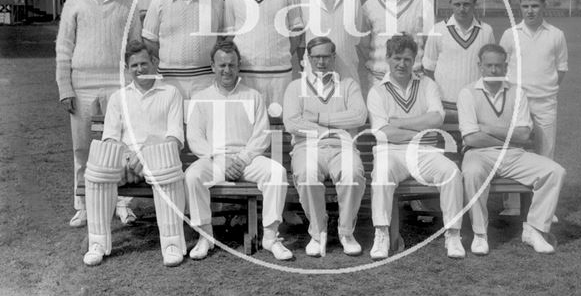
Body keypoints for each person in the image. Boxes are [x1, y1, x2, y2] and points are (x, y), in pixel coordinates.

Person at [184, 39, 293, 261]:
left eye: (231, 65)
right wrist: (217, 160)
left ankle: (271, 237)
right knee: (193, 175)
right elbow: (195, 137)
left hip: (247, 161)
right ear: (213, 66)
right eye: (222, 65)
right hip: (214, 160)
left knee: (277, 173)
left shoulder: (252, 96)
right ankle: (205, 236)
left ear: (238, 65)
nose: (227, 70)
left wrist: (242, 160)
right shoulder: (201, 98)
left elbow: (261, 135)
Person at [56, 0, 141, 228]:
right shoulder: (73, 4)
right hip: (82, 85)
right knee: (83, 147)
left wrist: (134, 85)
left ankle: (123, 205)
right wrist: (65, 88)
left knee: (121, 145)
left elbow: (135, 46)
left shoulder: (126, 2)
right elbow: (64, 49)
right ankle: (82, 204)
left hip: (118, 83)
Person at [82, 40, 186, 267]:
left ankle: (172, 244)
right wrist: (128, 157)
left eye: (144, 63)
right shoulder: (119, 97)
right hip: (126, 161)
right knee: (100, 168)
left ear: (154, 62)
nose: (139, 69)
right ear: (127, 69)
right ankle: (97, 243)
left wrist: (147, 154)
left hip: (158, 159)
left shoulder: (171, 93)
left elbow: (175, 138)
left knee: (164, 164)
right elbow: (110, 137)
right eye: (134, 65)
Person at [457, 43, 566, 254]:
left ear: (506, 67)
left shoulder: (517, 93)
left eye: (499, 66)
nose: (494, 70)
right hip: (479, 155)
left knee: (555, 171)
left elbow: (524, 135)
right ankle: (480, 233)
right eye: (489, 65)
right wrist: (509, 136)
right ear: (480, 66)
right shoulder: (467, 93)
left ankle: (534, 229)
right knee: (471, 173)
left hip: (514, 155)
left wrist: (488, 128)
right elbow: (471, 138)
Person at [367, 34, 465, 260]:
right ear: (388, 58)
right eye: (397, 58)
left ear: (414, 61)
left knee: (451, 173)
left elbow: (436, 119)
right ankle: (381, 233)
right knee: (381, 173)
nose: (402, 64)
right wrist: (420, 131)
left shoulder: (427, 84)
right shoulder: (377, 91)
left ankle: (453, 234)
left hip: (425, 152)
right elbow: (383, 133)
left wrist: (400, 123)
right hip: (391, 152)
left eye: (408, 59)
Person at [283, 36, 368, 257]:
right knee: (307, 174)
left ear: (333, 57)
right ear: (308, 59)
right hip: (307, 147)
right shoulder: (295, 87)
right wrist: (327, 131)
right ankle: (318, 232)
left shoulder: (348, 85)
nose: (321, 62)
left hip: (343, 146)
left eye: (326, 56)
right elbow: (292, 122)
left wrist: (320, 117)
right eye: (316, 57)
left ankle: (346, 232)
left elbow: (359, 116)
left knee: (353, 173)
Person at [499, 0, 568, 217]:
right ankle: (512, 205)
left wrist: (544, 90)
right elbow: (501, 67)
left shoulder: (556, 35)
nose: (530, 11)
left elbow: (561, 69)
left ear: (544, 6)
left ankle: (543, 210)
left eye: (535, 6)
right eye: (525, 6)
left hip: (545, 103)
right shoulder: (510, 34)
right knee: (513, 153)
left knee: (544, 154)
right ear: (520, 7)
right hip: (517, 103)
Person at [223, 0, 303, 108]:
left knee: (277, 128)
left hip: (280, 76)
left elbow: (296, 31)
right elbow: (229, 37)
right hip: (245, 75)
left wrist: (280, 55)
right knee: (247, 126)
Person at [142, 0, 224, 100]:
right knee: (172, 124)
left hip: (206, 80)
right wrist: (170, 59)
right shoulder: (160, 0)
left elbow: (221, 38)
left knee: (203, 123)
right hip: (169, 80)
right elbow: (149, 40)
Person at [423, 0, 495, 120]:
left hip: (476, 104)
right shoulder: (438, 30)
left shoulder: (486, 31)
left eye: (466, 4)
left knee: (475, 141)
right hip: (444, 105)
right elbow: (428, 69)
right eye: (457, 4)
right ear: (450, 3)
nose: (462, 9)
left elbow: (491, 69)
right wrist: (435, 100)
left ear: (474, 3)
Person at [361, 0, 431, 93]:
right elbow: (363, 46)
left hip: (413, 81)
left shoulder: (422, 4)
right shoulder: (369, 6)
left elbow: (430, 45)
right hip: (378, 81)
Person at [299, 0, 363, 84]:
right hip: (314, 81)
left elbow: (357, 41)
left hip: (347, 78)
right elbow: (301, 44)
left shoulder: (353, 0)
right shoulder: (304, 1)